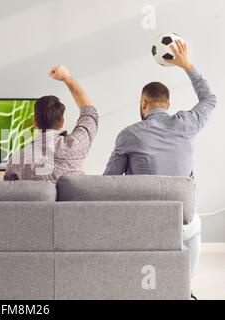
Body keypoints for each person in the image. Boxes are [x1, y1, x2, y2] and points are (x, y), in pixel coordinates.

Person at [104, 40, 217, 288]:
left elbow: (108, 183)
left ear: (143, 103)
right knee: (194, 224)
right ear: (168, 105)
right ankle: (184, 285)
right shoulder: (187, 124)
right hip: (180, 226)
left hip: (140, 226)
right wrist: (187, 66)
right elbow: (210, 99)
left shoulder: (129, 134)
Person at [4, 65, 99, 181]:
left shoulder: (16, 159)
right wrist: (67, 78)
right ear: (61, 123)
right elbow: (90, 111)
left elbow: (9, 191)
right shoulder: (76, 144)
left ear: (35, 122)